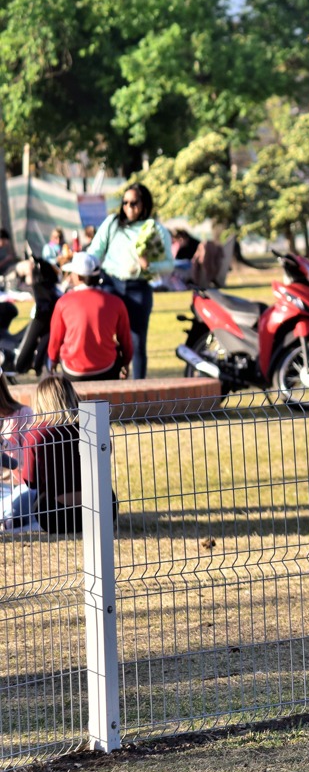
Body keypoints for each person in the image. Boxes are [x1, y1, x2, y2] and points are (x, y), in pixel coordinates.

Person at [85, 182, 173, 379]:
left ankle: (138, 391)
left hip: (138, 288)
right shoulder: (113, 223)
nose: (128, 207)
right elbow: (95, 251)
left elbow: (169, 263)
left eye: (134, 203)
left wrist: (149, 266)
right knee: (104, 337)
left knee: (137, 341)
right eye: (125, 203)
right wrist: (81, 266)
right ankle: (107, 382)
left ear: (144, 204)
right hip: (110, 284)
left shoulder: (155, 228)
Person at [48, 251, 132, 381]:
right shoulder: (116, 303)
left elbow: (55, 338)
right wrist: (126, 362)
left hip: (72, 370)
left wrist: (53, 360)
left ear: (78, 276)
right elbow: (126, 340)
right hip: (107, 368)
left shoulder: (63, 302)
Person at [23, 374, 84, 535]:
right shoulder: (90, 426)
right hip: (103, 509)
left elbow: (31, 482)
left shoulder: (36, 434)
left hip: (55, 515)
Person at [0, 377, 36, 531]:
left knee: (26, 497)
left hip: (18, 486)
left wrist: (4, 444)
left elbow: (28, 460)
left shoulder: (23, 413)